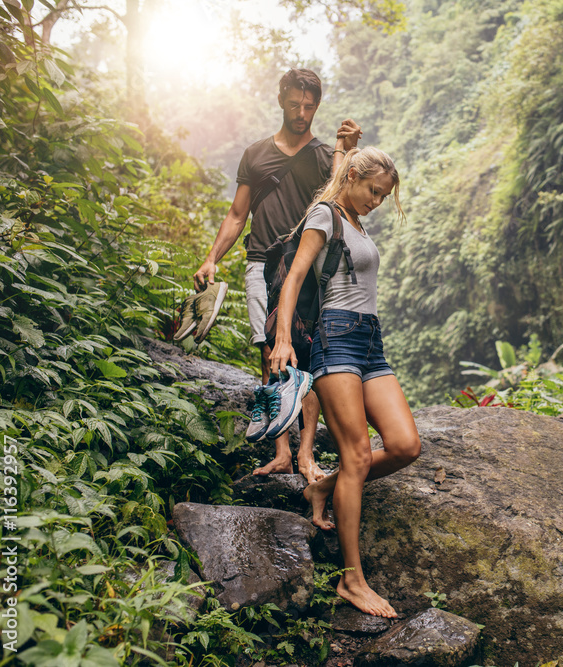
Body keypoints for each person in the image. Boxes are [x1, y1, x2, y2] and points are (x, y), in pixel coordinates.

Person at [269, 146, 421, 618]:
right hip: (335, 338)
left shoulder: (356, 221)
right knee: (357, 453)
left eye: (384, 195)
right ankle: (351, 581)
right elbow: (295, 278)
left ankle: (323, 487)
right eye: (374, 190)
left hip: (370, 341)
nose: (377, 200)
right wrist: (282, 341)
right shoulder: (324, 213)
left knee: (404, 444)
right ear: (353, 177)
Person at [192, 68, 362, 484]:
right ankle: (282, 451)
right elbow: (237, 215)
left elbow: (340, 203)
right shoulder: (255, 154)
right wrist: (212, 257)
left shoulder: (325, 157)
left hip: (307, 268)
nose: (301, 112)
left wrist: (345, 151)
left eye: (309, 106)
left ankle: (305, 453)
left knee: (307, 355)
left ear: (316, 106)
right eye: (294, 104)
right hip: (259, 262)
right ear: (281, 100)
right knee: (270, 354)